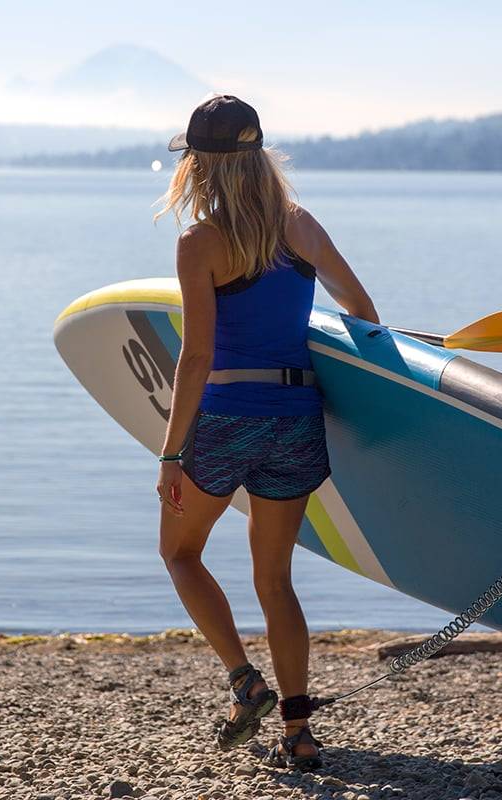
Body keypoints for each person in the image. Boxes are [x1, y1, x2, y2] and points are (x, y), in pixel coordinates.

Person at [152, 94, 379, 772]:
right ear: (257, 159)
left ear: (199, 166)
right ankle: (300, 733)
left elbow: (195, 358)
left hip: (225, 422)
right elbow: (361, 310)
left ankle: (244, 681)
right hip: (295, 422)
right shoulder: (302, 228)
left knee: (181, 554)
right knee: (275, 580)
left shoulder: (200, 243)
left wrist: (171, 451)